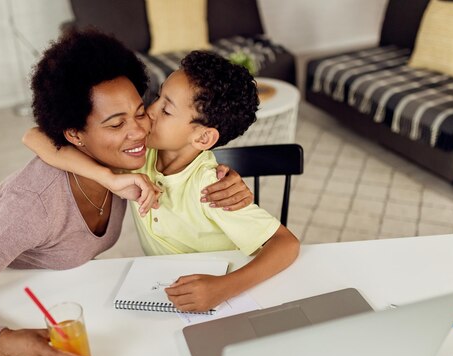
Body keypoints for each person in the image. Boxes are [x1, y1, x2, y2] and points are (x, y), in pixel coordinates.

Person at [0, 30, 254, 356]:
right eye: (116, 123)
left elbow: (183, 151)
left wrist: (227, 179)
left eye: (140, 112)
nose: (140, 132)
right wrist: (5, 343)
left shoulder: (127, 158)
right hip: (5, 309)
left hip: (67, 294)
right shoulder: (31, 205)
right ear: (74, 134)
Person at [24, 50, 301, 313]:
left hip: (219, 295)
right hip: (167, 287)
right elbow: (34, 136)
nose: (150, 110)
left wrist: (223, 288)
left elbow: (286, 244)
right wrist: (106, 177)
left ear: (203, 138)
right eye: (157, 97)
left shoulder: (212, 188)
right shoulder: (139, 154)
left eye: (166, 110)